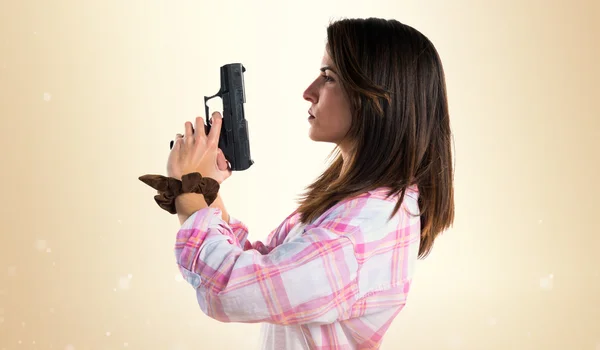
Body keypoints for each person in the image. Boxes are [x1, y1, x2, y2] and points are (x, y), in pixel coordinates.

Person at [162, 17, 454, 350]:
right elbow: (265, 266)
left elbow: (229, 289)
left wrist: (186, 189)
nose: (309, 92)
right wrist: (203, 189)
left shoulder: (358, 232)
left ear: (374, 97)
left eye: (328, 77)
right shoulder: (362, 205)